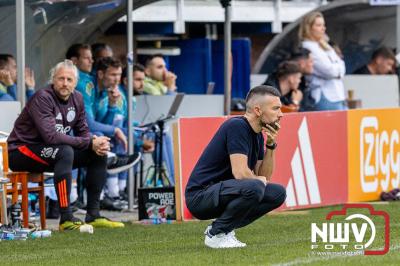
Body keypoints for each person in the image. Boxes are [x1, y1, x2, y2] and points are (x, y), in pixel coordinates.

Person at [7, 60, 124, 230]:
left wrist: (94, 144)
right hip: (21, 151)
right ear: (52, 80)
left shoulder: (77, 98)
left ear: (75, 83)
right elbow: (51, 137)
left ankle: (93, 214)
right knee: (65, 151)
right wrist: (89, 141)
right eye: (61, 78)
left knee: (98, 152)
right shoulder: (43, 97)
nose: (65, 83)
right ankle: (66, 217)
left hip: (50, 151)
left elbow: (83, 131)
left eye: (69, 80)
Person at [185, 85, 287, 249]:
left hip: (224, 192)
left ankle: (225, 229)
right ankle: (215, 234)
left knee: (277, 193)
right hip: (200, 196)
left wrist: (271, 145)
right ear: (258, 110)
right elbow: (240, 173)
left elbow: (264, 177)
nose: (281, 114)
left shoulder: (259, 135)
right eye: (275, 108)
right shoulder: (237, 126)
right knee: (254, 186)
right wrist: (258, 181)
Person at [299, 11, 347, 111]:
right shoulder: (308, 46)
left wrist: (337, 69)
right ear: (309, 28)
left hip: (338, 95)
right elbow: (329, 71)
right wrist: (338, 70)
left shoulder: (324, 44)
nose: (323, 28)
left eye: (323, 25)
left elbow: (341, 63)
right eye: (319, 25)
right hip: (324, 96)